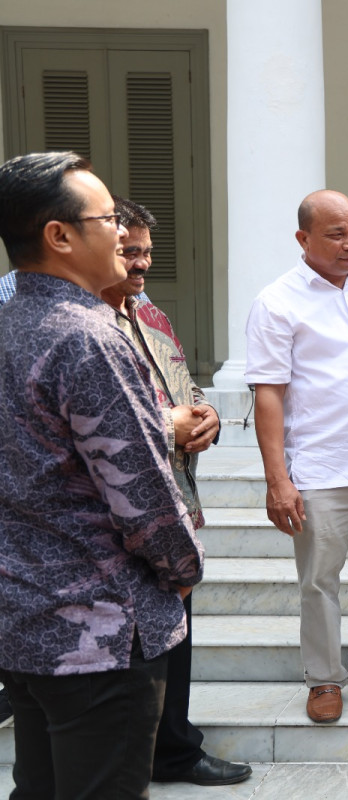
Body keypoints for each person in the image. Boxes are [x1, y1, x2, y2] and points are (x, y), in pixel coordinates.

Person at [0, 151, 203, 798]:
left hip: (24, 620)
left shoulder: (10, 322)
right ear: (58, 236)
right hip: (99, 631)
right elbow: (141, 493)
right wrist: (184, 568)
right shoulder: (86, 336)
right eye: (109, 218)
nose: (122, 233)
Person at [98, 197, 252, 785]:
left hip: (173, 507)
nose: (141, 264)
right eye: (128, 252)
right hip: (113, 521)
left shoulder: (151, 314)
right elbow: (93, 425)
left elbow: (183, 388)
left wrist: (207, 416)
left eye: (146, 252)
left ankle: (173, 751)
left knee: (173, 637)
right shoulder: (82, 326)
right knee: (123, 649)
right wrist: (170, 426)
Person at [246, 190, 348, 724]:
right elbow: (268, 394)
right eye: (336, 234)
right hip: (320, 469)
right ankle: (323, 678)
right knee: (319, 581)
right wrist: (278, 480)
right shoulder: (277, 301)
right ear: (303, 239)